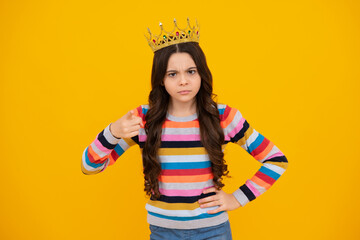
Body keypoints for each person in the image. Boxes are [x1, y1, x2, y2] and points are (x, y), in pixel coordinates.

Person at [81, 17, 289, 240]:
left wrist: (237, 198)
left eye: (191, 71)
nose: (183, 81)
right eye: (173, 74)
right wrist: (112, 132)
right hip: (162, 233)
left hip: (214, 231)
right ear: (161, 79)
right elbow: (90, 166)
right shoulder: (144, 119)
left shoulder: (223, 116)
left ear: (202, 73)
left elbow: (276, 160)